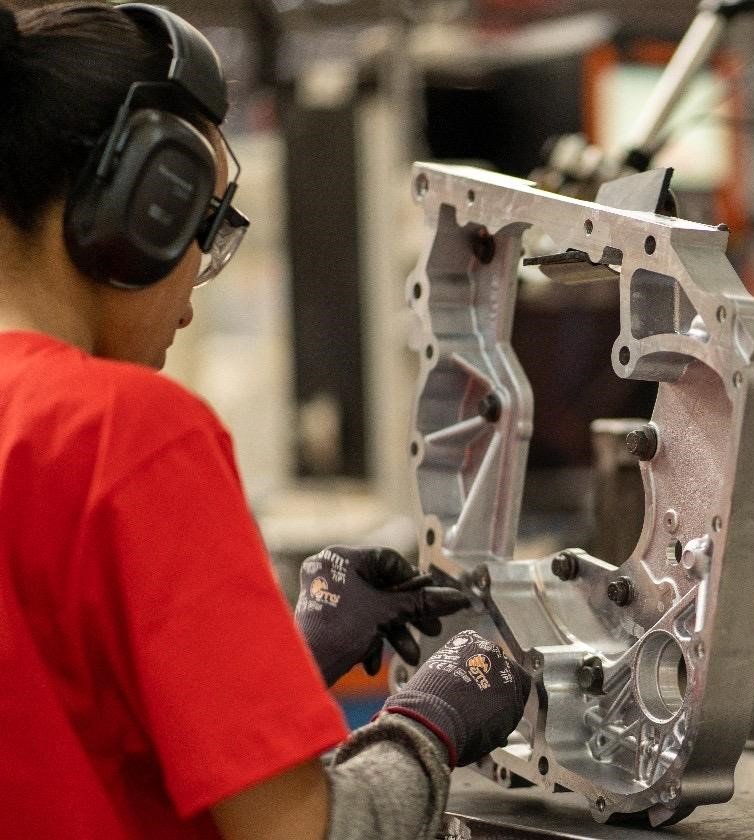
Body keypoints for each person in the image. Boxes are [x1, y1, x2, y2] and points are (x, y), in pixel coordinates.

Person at [0, 3, 531, 838]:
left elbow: (75, 721)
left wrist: (286, 658)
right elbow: (314, 833)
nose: (191, 295)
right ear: (142, 208)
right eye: (204, 228)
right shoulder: (124, 433)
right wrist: (432, 721)